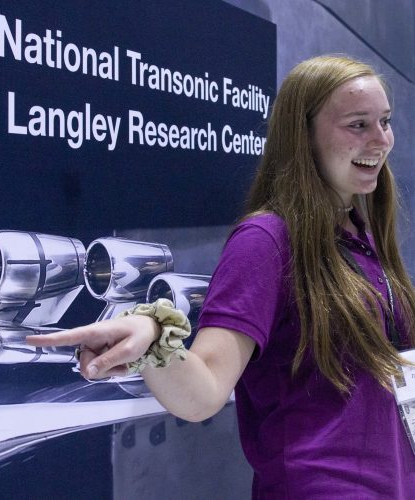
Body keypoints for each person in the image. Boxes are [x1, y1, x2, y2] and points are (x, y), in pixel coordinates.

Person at [27, 55, 415, 498]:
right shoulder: (266, 241)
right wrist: (155, 338)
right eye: (358, 125)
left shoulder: (361, 234)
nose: (381, 140)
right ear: (303, 134)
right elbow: (205, 391)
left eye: (385, 122)